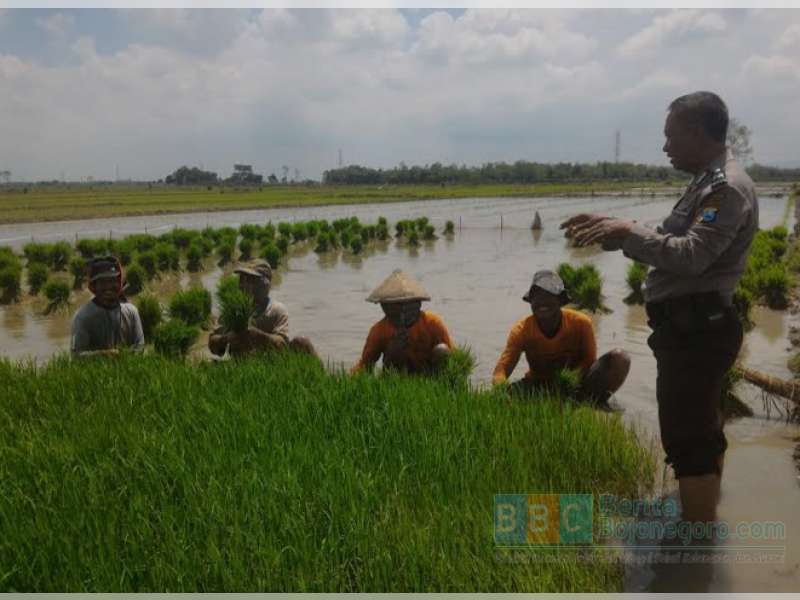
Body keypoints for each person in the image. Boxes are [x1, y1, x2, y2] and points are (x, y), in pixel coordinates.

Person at [561, 91, 759, 525]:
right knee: (701, 430)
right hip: (690, 328)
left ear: (697, 132)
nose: (665, 146)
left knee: (689, 440)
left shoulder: (724, 188)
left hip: (697, 331)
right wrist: (620, 232)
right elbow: (674, 240)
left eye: (671, 135)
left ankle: (694, 541)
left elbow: (692, 255)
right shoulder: (707, 182)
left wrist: (628, 231)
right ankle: (702, 521)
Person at [492, 269, 630, 408]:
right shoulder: (522, 330)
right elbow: (501, 370)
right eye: (537, 296)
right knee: (499, 400)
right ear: (531, 301)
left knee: (621, 358)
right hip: (538, 384)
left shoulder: (581, 323)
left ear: (560, 300)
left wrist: (567, 380)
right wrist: (501, 390)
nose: (542, 301)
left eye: (548, 295)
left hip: (576, 384)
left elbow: (589, 360)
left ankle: (593, 403)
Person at [208, 260, 317, 358]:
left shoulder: (276, 310)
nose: (243, 284)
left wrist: (258, 336)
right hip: (242, 365)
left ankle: (319, 372)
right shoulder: (234, 311)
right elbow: (212, 344)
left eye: (250, 280)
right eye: (242, 279)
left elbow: (282, 344)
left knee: (302, 342)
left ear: (265, 285)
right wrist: (227, 338)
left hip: (270, 362)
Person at [352, 269, 453, 374]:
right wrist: (394, 350)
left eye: (408, 304)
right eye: (395, 306)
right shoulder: (379, 331)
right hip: (395, 375)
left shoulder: (431, 322)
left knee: (442, 350)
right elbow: (365, 364)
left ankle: (442, 381)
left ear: (418, 304)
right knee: (394, 351)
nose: (403, 310)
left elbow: (452, 353)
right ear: (384, 307)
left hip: (428, 373)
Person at [70, 256, 145, 356]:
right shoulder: (82, 317)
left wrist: (124, 356)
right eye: (102, 282)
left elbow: (140, 346)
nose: (108, 286)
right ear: (93, 286)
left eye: (112, 280)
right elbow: (76, 356)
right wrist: (105, 354)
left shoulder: (132, 311)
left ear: (119, 283)